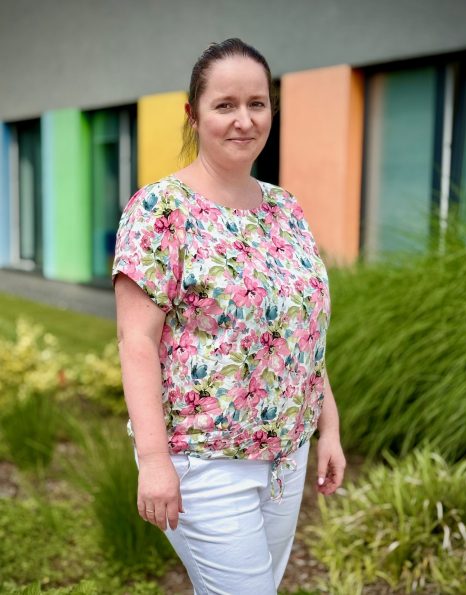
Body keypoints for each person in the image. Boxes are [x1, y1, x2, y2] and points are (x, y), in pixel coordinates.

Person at [112, 38, 346, 595]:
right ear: (193, 114)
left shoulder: (285, 208)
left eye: (257, 103)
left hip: (286, 456)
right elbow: (135, 341)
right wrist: (154, 460)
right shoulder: (161, 210)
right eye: (225, 105)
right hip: (203, 460)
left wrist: (329, 428)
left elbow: (300, 333)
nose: (244, 120)